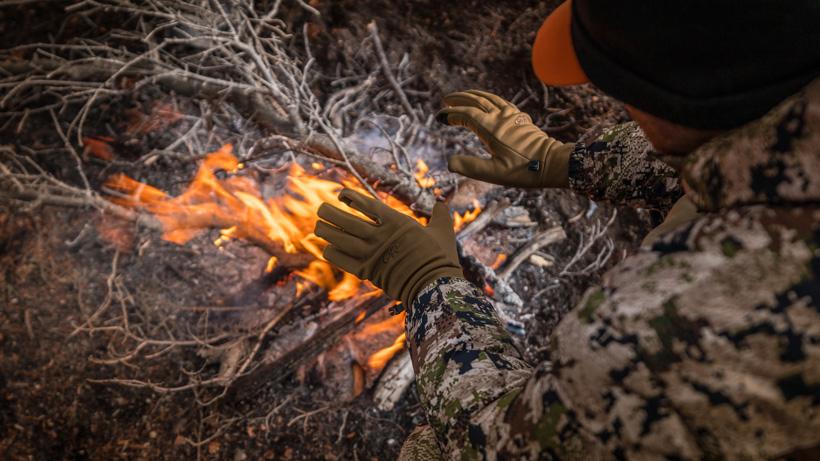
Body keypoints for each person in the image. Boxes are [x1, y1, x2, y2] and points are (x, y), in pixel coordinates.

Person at [314, 0, 820, 458]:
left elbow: (497, 445)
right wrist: (567, 161)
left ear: (686, 98)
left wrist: (429, 286)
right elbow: (744, 143)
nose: (621, 106)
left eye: (621, 91)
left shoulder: (669, 331)